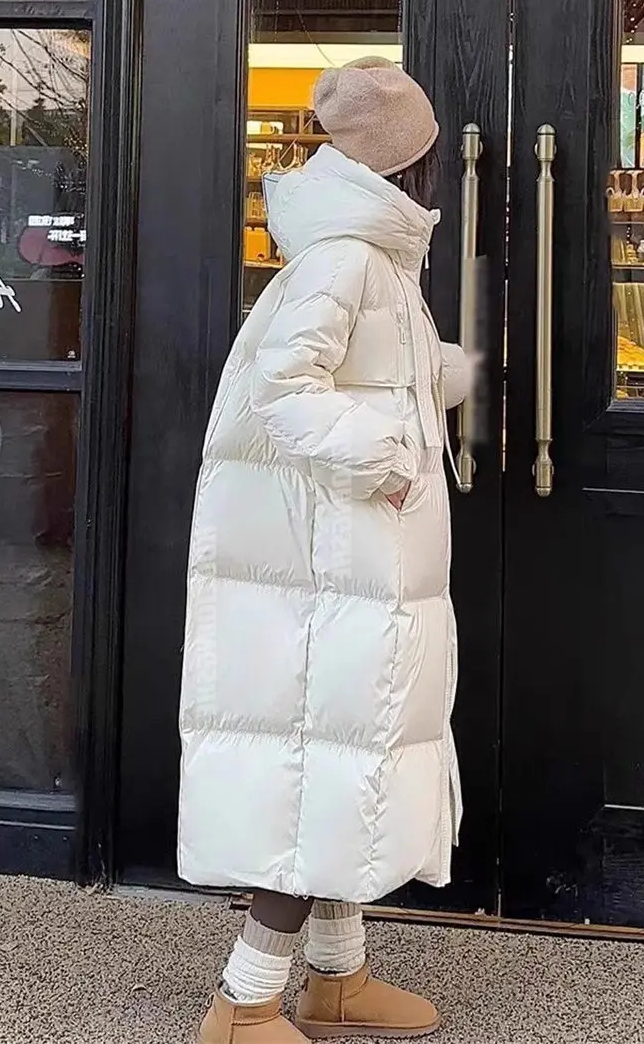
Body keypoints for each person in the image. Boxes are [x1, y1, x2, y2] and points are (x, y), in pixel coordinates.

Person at [179, 57, 473, 1043]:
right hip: (325, 568)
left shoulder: (369, 258)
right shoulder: (344, 258)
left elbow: (360, 373)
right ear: (409, 165)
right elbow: (283, 390)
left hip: (352, 563)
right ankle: (244, 1000)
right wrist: (390, 452)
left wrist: (437, 379)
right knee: (318, 772)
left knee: (346, 765)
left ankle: (336, 980)